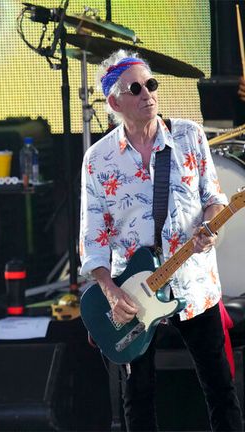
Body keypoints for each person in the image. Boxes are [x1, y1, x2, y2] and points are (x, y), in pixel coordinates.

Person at [80, 49, 243, 431]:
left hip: (193, 282)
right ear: (114, 101)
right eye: (134, 88)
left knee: (220, 389)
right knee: (138, 399)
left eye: (151, 84)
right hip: (135, 291)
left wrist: (210, 226)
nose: (147, 94)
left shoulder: (188, 135)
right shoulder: (98, 159)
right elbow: (93, 239)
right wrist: (110, 292)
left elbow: (214, 199)